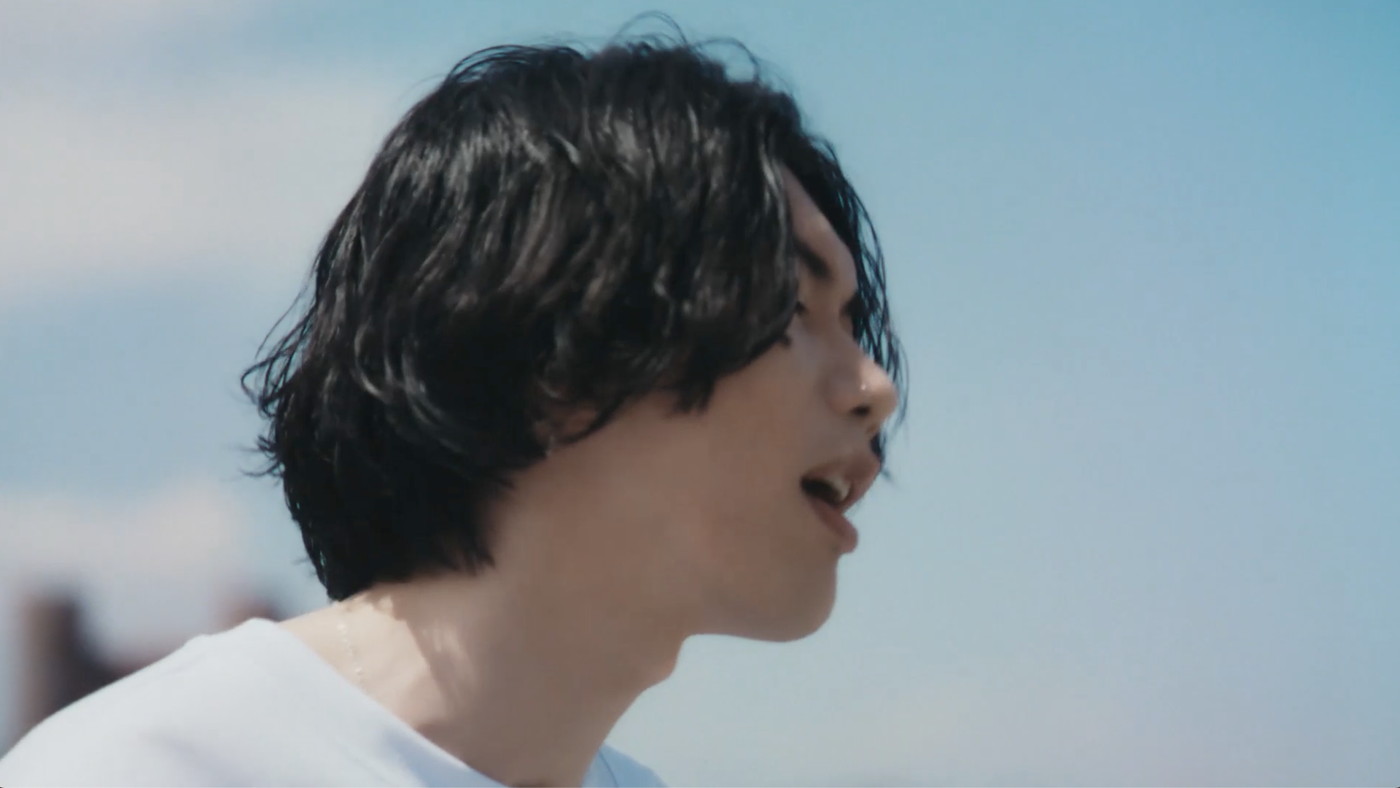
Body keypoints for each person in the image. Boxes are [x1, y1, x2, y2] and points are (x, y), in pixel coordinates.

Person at [0, 28, 903, 788]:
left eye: (852, 325)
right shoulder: (145, 770)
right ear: (557, 354)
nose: (875, 388)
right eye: (795, 308)